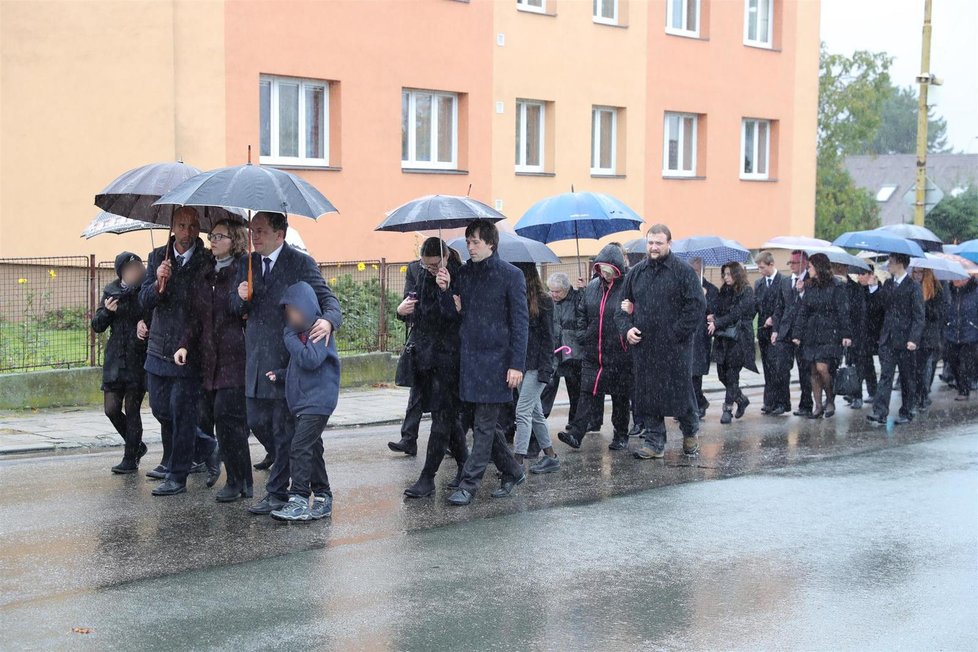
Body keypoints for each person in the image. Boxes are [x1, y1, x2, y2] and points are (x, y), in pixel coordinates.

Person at [232, 211, 342, 515]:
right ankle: (319, 488)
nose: (255, 236)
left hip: (287, 361)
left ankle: (279, 493)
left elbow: (328, 300)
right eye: (252, 230)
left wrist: (329, 322)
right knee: (259, 423)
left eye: (262, 231)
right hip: (256, 359)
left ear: (280, 234)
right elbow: (234, 307)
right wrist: (240, 297)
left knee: (285, 432)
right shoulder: (247, 263)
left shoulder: (300, 262)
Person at [441, 220, 528, 506]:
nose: (470, 247)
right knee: (486, 427)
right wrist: (445, 291)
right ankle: (513, 470)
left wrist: (516, 364)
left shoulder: (511, 275)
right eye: (467, 242)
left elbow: (520, 324)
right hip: (470, 362)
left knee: (484, 426)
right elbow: (455, 318)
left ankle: (469, 483)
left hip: (498, 363)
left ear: (491, 243)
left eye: (475, 241)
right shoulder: (464, 274)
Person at [174, 219, 252, 501]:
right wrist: (184, 344)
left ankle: (235, 479)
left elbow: (242, 308)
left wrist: (243, 298)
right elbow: (196, 316)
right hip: (210, 358)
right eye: (212, 235)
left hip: (235, 355)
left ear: (235, 240)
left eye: (220, 236)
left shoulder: (243, 268)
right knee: (223, 421)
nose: (213, 240)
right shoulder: (206, 271)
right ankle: (245, 480)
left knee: (227, 419)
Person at [139, 207, 214, 496]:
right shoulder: (158, 256)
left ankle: (177, 475)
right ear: (172, 226)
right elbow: (145, 300)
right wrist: (159, 282)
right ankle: (208, 445)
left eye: (192, 226)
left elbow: (203, 303)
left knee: (182, 413)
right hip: (158, 346)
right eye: (181, 225)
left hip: (188, 348)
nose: (187, 231)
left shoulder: (206, 260)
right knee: (161, 408)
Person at [616, 224, 705, 459]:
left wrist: (676, 334)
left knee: (681, 393)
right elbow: (621, 308)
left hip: (676, 348)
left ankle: (690, 432)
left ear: (669, 244)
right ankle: (654, 442)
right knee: (648, 395)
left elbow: (696, 307)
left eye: (658, 243)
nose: (654, 247)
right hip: (644, 348)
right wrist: (627, 329)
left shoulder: (683, 272)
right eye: (650, 243)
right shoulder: (636, 273)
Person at [398, 238, 469, 498]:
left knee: (442, 419)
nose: (429, 269)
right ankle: (467, 464)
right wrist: (402, 311)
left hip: (451, 360)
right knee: (448, 420)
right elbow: (422, 318)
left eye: (434, 264)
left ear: (446, 258)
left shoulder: (460, 276)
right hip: (427, 360)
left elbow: (454, 319)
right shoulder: (422, 276)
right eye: (425, 265)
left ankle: (427, 478)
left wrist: (446, 291)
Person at [264, 282, 341, 522]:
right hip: (304, 402)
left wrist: (289, 338)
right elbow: (299, 367)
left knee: (299, 447)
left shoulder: (318, 331)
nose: (291, 317)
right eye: (288, 312)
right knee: (313, 448)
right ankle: (323, 495)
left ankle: (298, 498)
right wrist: (282, 374)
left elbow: (310, 360)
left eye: (295, 311)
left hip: (318, 402)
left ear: (307, 308)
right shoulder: (299, 334)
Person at [557, 244, 632, 452]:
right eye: (602, 269)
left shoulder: (627, 287)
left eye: (609, 270)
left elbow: (632, 314)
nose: (606, 274)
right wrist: (583, 334)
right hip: (593, 351)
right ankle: (576, 433)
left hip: (619, 353)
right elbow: (582, 312)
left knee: (619, 396)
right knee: (587, 392)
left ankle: (621, 434)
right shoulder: (592, 287)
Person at [91, 251, 149, 474]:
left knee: (132, 409)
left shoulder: (146, 290)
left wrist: (145, 322)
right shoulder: (111, 291)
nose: (135, 271)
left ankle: (130, 458)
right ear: (121, 272)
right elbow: (97, 325)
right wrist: (107, 311)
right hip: (115, 358)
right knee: (111, 409)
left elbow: (153, 314)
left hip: (137, 356)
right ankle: (137, 445)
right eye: (130, 268)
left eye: (138, 267)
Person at [512, 262, 560, 474]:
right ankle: (550, 456)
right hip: (522, 366)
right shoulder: (518, 299)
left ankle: (517, 461)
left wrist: (545, 370)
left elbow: (549, 338)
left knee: (522, 412)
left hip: (537, 367)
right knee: (535, 413)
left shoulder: (544, 301)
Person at [867, 253, 924, 426]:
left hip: (906, 340)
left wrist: (914, 338)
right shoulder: (889, 284)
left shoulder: (913, 287)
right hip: (888, 339)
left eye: (891, 262)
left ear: (900, 264)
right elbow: (879, 307)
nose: (888, 265)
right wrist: (874, 288)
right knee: (886, 376)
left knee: (907, 377)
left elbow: (919, 316)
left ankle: (907, 411)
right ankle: (880, 412)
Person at [791, 254, 851, 418]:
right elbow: (803, 311)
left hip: (830, 333)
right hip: (811, 334)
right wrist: (797, 333)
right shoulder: (810, 286)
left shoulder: (836, 286)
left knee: (822, 368)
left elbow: (843, 311)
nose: (808, 269)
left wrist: (846, 333)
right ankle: (817, 406)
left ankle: (830, 399)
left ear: (818, 268)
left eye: (810, 267)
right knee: (813, 371)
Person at [708, 261, 758, 424]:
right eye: (724, 274)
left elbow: (737, 313)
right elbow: (720, 309)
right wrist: (713, 316)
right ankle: (741, 399)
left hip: (739, 338)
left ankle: (727, 409)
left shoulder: (746, 291)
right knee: (722, 374)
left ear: (737, 274)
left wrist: (718, 322)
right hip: (724, 338)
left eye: (729, 274)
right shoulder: (724, 290)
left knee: (731, 374)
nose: (726, 277)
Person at [388, 257, 426, 456]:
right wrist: (401, 311)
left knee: (445, 400)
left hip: (445, 344)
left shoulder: (452, 268)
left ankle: (455, 441)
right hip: (421, 340)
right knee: (417, 392)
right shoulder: (414, 268)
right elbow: (408, 300)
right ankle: (408, 439)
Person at [773, 250, 813, 417]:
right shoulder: (784, 281)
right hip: (785, 331)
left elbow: (812, 306)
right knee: (781, 367)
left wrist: (803, 292)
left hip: (803, 332)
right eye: (789, 262)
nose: (790, 266)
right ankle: (783, 402)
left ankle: (806, 404)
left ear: (804, 263)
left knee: (805, 371)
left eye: (794, 262)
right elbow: (779, 307)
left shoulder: (811, 282)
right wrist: (775, 329)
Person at [540, 272, 583, 426]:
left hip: (572, 351)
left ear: (566, 289)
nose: (553, 294)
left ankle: (574, 422)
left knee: (575, 389)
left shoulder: (578, 298)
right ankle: (540, 419)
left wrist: (582, 290)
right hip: (554, 350)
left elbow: (583, 319)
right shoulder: (547, 301)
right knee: (548, 385)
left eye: (557, 291)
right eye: (551, 291)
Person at [754, 251, 788, 415]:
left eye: (762, 268)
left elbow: (784, 306)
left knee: (779, 368)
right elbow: (755, 306)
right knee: (768, 368)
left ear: (771, 264)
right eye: (758, 268)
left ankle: (781, 402)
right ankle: (769, 401)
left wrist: (774, 318)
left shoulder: (783, 281)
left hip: (778, 331)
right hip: (763, 332)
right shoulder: (759, 284)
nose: (760, 271)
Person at [911, 267, 945, 411]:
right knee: (915, 368)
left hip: (928, 334)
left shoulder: (936, 289)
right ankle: (918, 395)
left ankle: (923, 395)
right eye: (915, 272)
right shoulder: (912, 287)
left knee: (923, 367)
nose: (918, 275)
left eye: (920, 272)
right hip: (914, 334)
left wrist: (924, 306)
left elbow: (939, 313)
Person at [833, 262, 866, 410]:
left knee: (854, 365)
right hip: (834, 332)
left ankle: (856, 394)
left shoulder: (854, 287)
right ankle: (832, 396)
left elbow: (859, 312)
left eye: (841, 267)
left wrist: (853, 334)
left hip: (852, 333)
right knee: (834, 366)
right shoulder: (832, 285)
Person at [690, 257, 719, 419]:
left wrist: (705, 298)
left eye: (696, 267)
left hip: (701, 337)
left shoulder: (711, 289)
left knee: (696, 373)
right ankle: (696, 403)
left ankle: (698, 405)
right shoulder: (686, 287)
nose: (694, 270)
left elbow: (713, 313)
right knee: (687, 374)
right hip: (688, 334)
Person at [944, 276, 978, 401]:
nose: (956, 280)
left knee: (966, 363)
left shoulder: (975, 291)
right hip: (952, 333)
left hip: (970, 335)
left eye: (959, 278)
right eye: (954, 278)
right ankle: (961, 386)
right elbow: (945, 309)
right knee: (953, 362)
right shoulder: (949, 292)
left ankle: (964, 390)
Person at [854, 264, 883, 408]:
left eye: (863, 274)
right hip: (859, 332)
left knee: (866, 362)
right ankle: (859, 392)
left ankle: (873, 391)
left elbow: (876, 308)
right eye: (858, 274)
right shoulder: (857, 289)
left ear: (870, 274)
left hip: (874, 332)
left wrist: (873, 290)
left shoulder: (878, 288)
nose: (860, 277)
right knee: (862, 362)